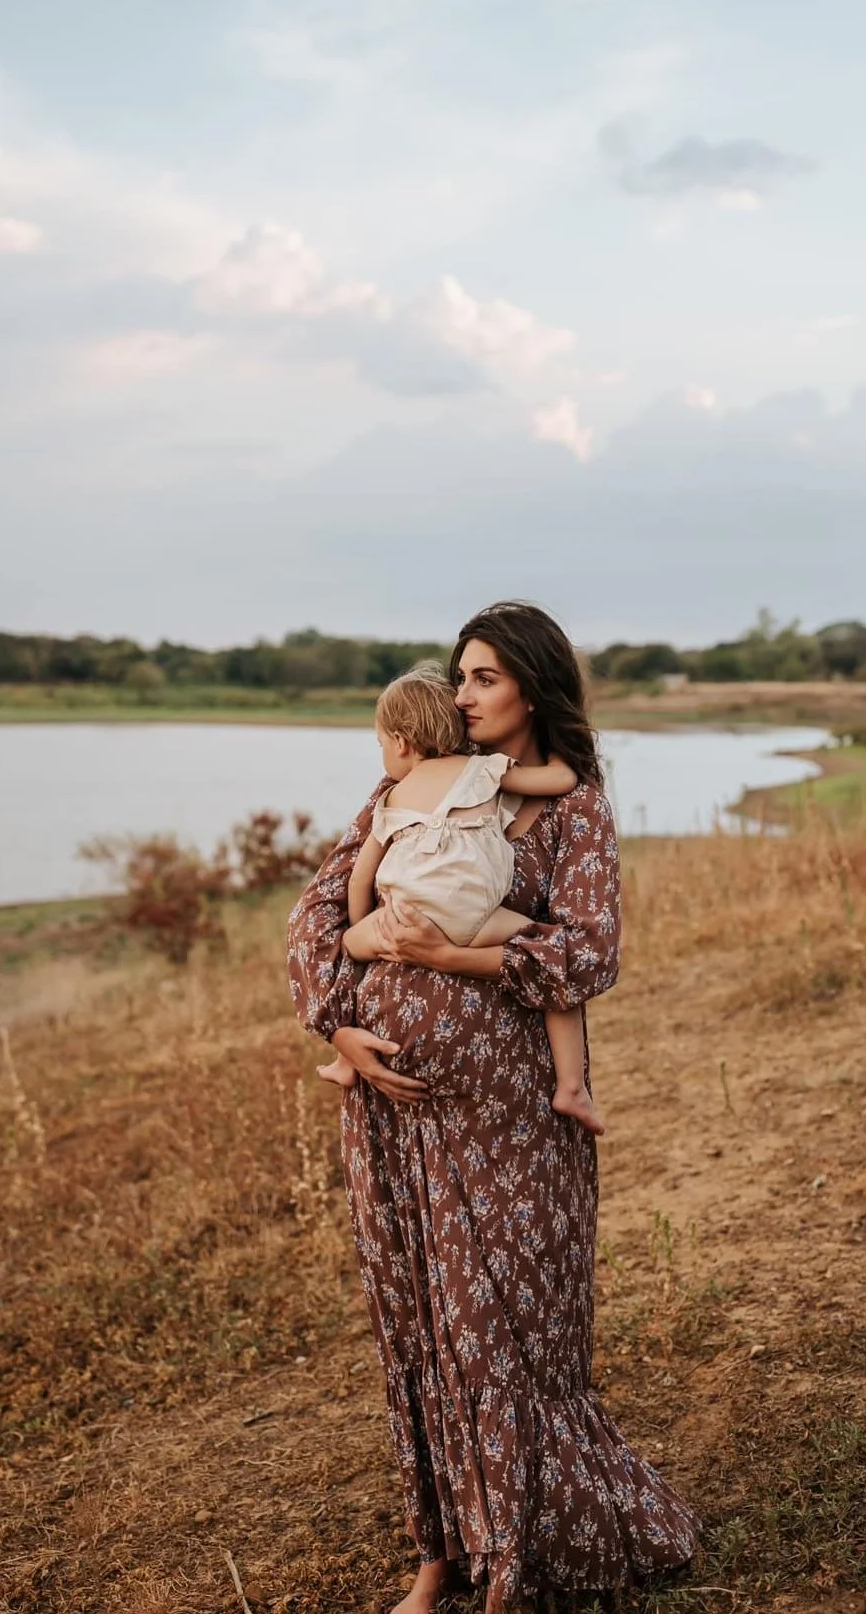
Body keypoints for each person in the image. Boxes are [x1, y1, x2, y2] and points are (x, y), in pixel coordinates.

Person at [288, 601, 696, 1614]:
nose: (462, 695)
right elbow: (318, 911)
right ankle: (438, 1554)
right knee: (420, 1324)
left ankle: (515, 1553)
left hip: (508, 1118)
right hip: (389, 1111)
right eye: (458, 679)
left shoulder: (571, 808)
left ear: (531, 688)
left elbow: (586, 953)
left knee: (503, 1329)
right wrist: (338, 1027)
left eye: (482, 679)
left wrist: (445, 956)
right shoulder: (405, 782)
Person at [316, 660, 605, 1134]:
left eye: (381, 744)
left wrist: (366, 927)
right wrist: (560, 752)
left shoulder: (393, 795)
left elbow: (357, 877)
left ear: (403, 742)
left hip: (403, 915)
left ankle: (344, 1061)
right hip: (477, 916)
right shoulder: (483, 771)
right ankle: (572, 1086)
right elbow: (561, 782)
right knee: (553, 962)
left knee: (351, 948)